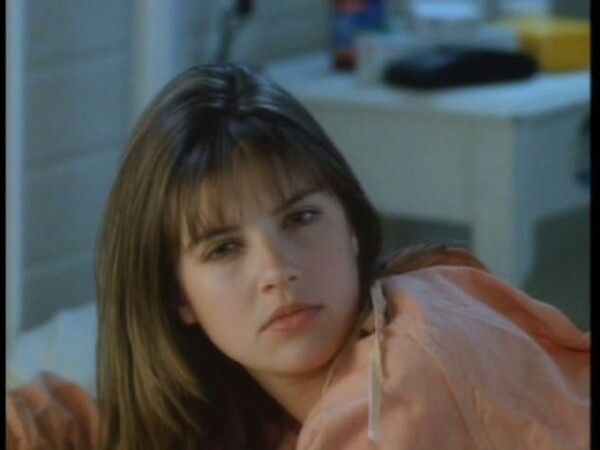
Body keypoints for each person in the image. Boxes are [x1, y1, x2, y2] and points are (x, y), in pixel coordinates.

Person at [6, 64, 589, 450]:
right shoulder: (257, 400)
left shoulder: (408, 372)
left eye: (301, 219)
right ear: (176, 295)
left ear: (354, 228)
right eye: (224, 248)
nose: (277, 270)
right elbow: (97, 424)